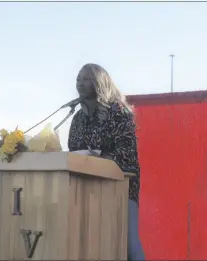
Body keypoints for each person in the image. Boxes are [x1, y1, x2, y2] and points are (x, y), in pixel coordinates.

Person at [68, 63, 146, 260]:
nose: (80, 83)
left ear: (99, 82)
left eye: (86, 79)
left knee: (127, 243)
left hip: (121, 186)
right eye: (78, 79)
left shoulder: (119, 112)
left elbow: (127, 153)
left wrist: (97, 159)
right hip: (85, 188)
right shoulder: (78, 118)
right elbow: (73, 151)